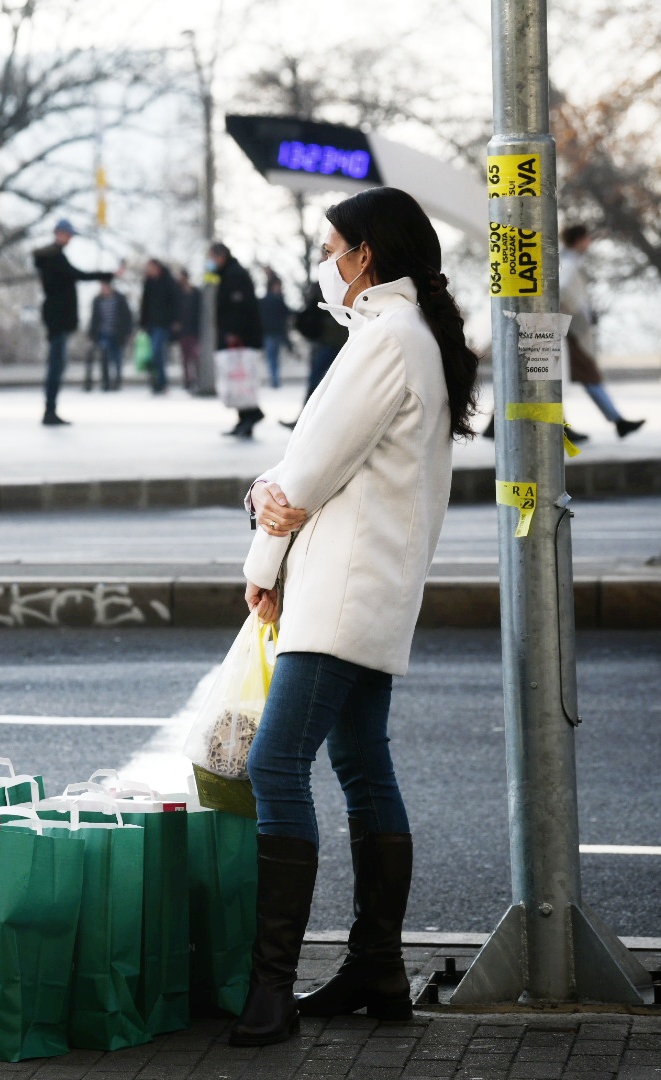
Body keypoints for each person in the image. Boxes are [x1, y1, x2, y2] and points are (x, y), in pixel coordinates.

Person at [232, 186, 480, 1046]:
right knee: (363, 767)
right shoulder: (411, 338)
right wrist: (276, 492)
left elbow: (301, 480)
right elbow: (315, 465)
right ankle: (376, 966)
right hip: (375, 589)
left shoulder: (383, 341)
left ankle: (269, 989)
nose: (322, 262)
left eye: (329, 246)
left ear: (365, 254)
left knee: (274, 768)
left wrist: (262, 563)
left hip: (338, 596)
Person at [562, 224, 644, 438]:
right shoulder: (569, 263)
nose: (589, 243)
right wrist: (577, 313)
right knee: (586, 376)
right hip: (571, 331)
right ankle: (617, 421)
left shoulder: (569, 261)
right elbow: (562, 291)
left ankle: (617, 421)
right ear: (579, 240)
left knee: (582, 377)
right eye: (587, 238)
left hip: (569, 329)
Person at [33, 219, 114, 425]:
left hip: (57, 318)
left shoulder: (53, 257)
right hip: (58, 319)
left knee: (57, 365)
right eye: (67, 235)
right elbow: (76, 275)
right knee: (56, 365)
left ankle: (51, 408)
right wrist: (106, 275)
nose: (69, 239)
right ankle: (50, 410)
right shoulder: (54, 258)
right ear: (58, 233)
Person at [211, 243, 265, 436]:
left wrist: (234, 332)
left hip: (241, 336)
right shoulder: (227, 273)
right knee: (238, 377)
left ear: (221, 256)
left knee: (241, 376)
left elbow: (239, 307)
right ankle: (244, 418)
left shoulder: (234, 274)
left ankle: (252, 414)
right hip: (239, 335)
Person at [280, 280, 349, 429]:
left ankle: (308, 420)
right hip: (329, 340)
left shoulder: (338, 283)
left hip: (336, 341)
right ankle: (305, 420)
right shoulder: (324, 283)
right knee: (316, 381)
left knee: (325, 381)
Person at [138, 259, 178, 394]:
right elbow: (144, 304)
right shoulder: (148, 282)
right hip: (151, 325)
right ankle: (157, 382)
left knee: (157, 352)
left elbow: (174, 303)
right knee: (153, 355)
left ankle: (161, 381)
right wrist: (142, 323)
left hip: (163, 324)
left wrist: (174, 321)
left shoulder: (168, 281)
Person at [87, 278, 134, 392]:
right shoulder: (97, 301)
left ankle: (117, 381)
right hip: (103, 333)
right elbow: (94, 318)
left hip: (117, 334)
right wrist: (92, 334)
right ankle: (106, 382)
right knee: (105, 357)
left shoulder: (120, 299)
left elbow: (127, 317)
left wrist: (127, 332)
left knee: (117, 358)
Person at [259, 271, 292, 389]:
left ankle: (274, 379)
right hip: (273, 332)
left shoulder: (266, 301)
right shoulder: (275, 301)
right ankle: (274, 380)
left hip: (272, 332)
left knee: (272, 358)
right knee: (273, 358)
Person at [174, 266, 202, 391]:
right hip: (183, 330)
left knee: (195, 355)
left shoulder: (195, 292)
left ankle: (197, 378)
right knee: (185, 357)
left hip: (194, 329)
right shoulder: (177, 293)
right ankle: (188, 380)